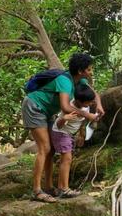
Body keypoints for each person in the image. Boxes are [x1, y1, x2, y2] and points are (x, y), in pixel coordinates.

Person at [21, 53, 104, 203]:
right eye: (89, 69)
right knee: (44, 148)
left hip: (47, 111)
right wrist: (87, 116)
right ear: (80, 71)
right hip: (35, 106)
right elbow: (66, 107)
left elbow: (94, 93)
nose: (91, 72)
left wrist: (98, 104)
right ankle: (37, 191)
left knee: (52, 150)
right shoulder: (64, 81)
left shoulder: (81, 80)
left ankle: (49, 187)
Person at [50, 83, 97, 198]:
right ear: (80, 101)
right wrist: (64, 118)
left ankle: (62, 187)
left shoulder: (85, 106)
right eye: (89, 102)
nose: (91, 104)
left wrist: (81, 134)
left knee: (65, 160)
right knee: (66, 159)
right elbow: (59, 125)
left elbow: (83, 121)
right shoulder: (69, 109)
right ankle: (64, 189)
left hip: (69, 134)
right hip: (61, 133)